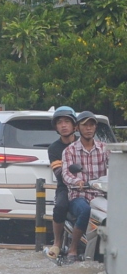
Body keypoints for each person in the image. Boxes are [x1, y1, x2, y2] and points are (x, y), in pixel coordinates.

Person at [60, 111, 108, 263]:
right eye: (85, 125)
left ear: (95, 128)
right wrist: (77, 182)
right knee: (85, 210)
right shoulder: (70, 150)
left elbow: (118, 166)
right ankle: (73, 248)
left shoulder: (105, 149)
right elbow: (66, 174)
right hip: (79, 196)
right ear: (77, 128)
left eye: (91, 125)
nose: (88, 128)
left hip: (100, 195)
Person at [47, 107, 79, 259]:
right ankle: (57, 241)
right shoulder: (54, 148)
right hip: (65, 187)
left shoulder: (85, 143)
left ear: (75, 125)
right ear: (56, 127)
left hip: (89, 186)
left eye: (67, 121)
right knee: (60, 206)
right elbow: (59, 173)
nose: (64, 125)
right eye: (60, 122)